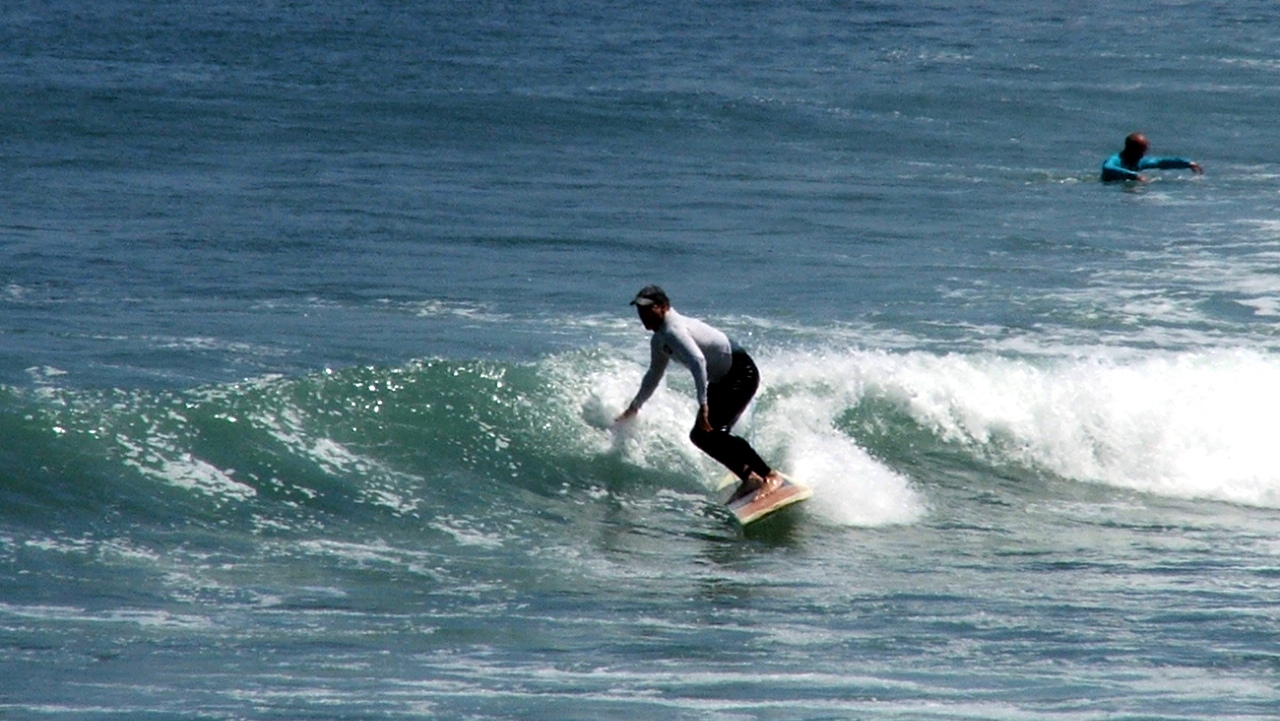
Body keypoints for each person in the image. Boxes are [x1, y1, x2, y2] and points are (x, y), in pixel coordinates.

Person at [614, 285, 783, 503]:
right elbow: (654, 374)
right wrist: (634, 407)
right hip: (722, 380)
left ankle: (769, 475)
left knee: (717, 433)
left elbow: (698, 361)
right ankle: (749, 477)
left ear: (664, 307)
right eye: (640, 310)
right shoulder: (660, 339)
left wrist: (703, 405)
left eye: (648, 309)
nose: (643, 315)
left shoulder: (674, 330)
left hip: (741, 373)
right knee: (700, 436)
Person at [1101, 132, 1204, 182]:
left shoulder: (1139, 161)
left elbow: (1160, 162)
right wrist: (1135, 175)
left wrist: (1187, 163)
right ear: (1130, 149)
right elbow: (1108, 168)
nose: (1144, 153)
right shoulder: (1115, 159)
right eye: (1141, 150)